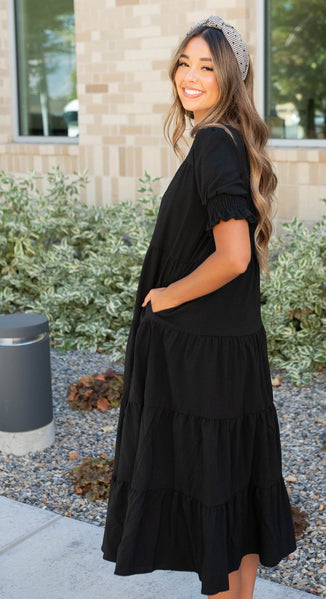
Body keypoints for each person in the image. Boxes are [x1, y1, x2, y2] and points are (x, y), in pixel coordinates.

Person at [102, 15, 297, 599]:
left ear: (230, 77)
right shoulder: (229, 139)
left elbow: (234, 257)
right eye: (184, 63)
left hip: (201, 353)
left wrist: (165, 296)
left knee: (211, 504)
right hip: (228, 349)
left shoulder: (215, 142)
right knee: (232, 497)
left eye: (206, 67)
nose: (189, 76)